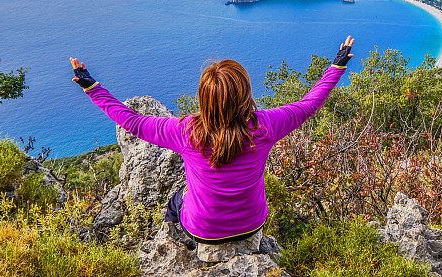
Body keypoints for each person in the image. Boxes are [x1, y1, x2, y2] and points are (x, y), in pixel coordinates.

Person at [69, 35, 354, 254]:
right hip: (251, 226)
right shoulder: (265, 126)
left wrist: (91, 86)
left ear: (204, 99)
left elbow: (132, 122)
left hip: (202, 231)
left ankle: (177, 247)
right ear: (245, 95)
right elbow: (309, 105)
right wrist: (336, 66)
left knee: (176, 200)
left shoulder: (186, 132)